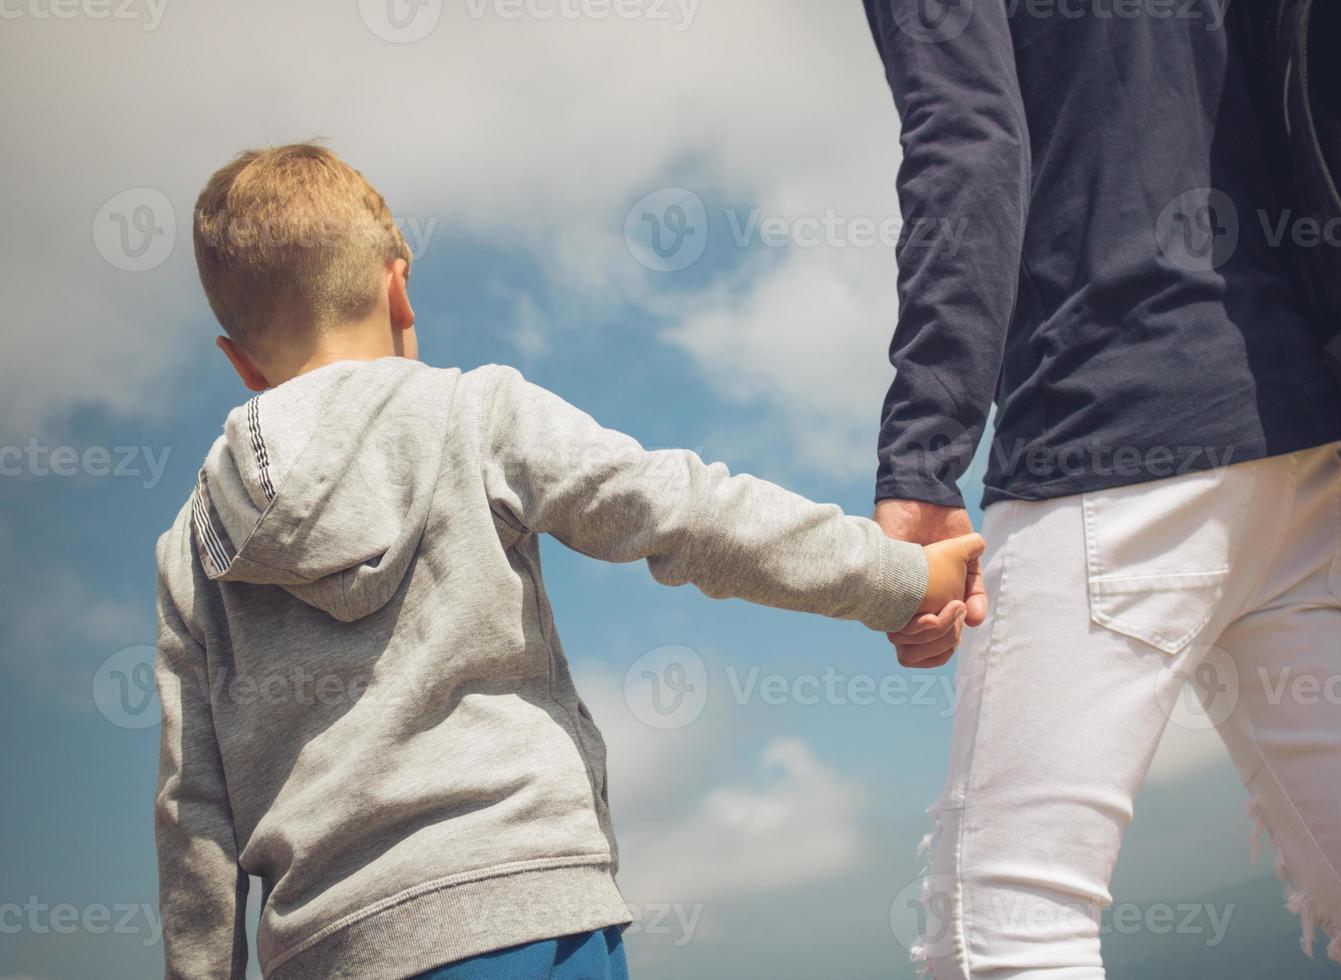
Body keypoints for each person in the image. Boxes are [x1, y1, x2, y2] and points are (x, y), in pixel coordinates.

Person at [152, 142, 984, 980]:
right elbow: (685, 511)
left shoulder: (196, 542)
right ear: (397, 285)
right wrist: (902, 579)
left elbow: (195, 813)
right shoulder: (475, 413)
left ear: (240, 361)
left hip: (323, 949)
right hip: (524, 913)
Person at [861, 1, 1341, 977]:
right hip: (1306, 444)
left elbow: (967, 140)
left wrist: (921, 465)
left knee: (1007, 931)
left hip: (1106, 435)